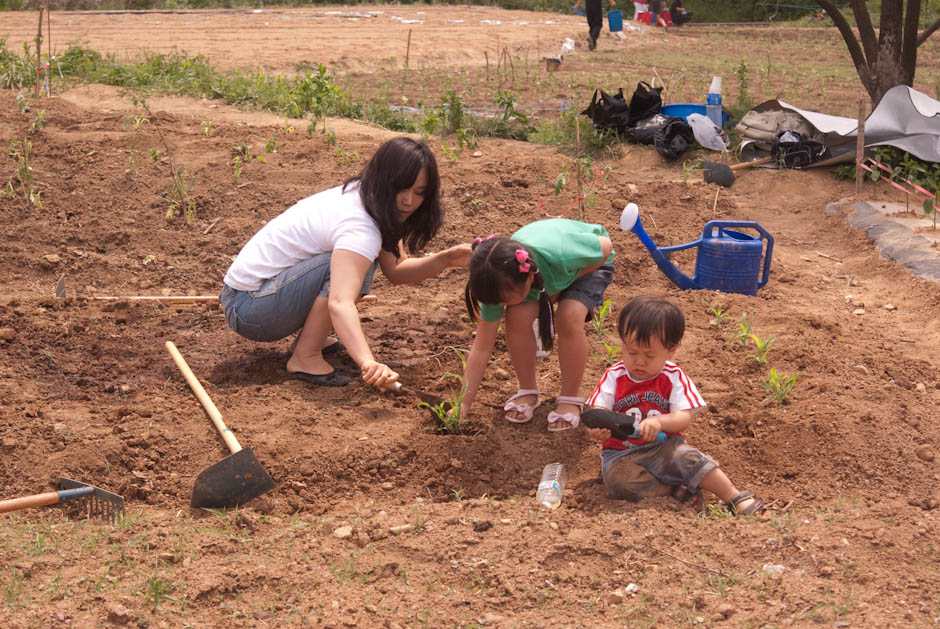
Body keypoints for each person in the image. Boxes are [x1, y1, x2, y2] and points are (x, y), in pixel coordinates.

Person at [220, 137, 471, 390]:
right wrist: (368, 363)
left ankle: (309, 341)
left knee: (352, 266)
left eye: (419, 193)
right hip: (250, 307)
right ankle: (305, 356)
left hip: (256, 296)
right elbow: (340, 302)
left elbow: (396, 270)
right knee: (351, 269)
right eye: (402, 189)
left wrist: (446, 259)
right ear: (385, 181)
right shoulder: (360, 227)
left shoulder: (370, 198)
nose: (409, 201)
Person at [584, 296, 767, 515]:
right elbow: (597, 412)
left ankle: (735, 497)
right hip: (621, 454)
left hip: (665, 448)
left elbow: (683, 417)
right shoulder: (614, 376)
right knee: (619, 481)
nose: (639, 361)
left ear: (672, 350)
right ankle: (672, 491)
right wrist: (597, 429)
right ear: (622, 343)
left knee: (692, 460)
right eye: (632, 352)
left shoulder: (673, 376)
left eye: (649, 355)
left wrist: (659, 422)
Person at [459, 219, 614, 431]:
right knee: (517, 315)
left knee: (569, 316)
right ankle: (527, 390)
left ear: (529, 278)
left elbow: (605, 246)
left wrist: (563, 283)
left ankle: (569, 397)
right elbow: (482, 346)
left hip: (587, 264)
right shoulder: (495, 283)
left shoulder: (561, 253)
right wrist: (463, 403)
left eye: (505, 301)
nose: (501, 307)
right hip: (548, 276)